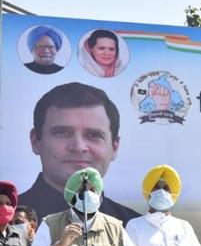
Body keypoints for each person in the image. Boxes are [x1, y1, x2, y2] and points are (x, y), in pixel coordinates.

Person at [19, 82, 140, 225]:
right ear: (35, 141)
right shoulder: (8, 220)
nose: (78, 147)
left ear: (114, 147)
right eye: (62, 133)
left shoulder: (135, 229)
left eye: (93, 135)